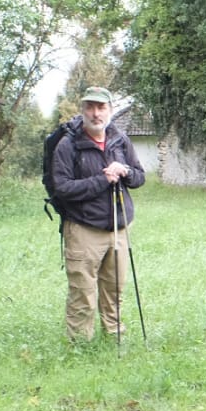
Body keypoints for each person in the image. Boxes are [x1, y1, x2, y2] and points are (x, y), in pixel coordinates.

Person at [49, 87, 146, 343]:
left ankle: (114, 335)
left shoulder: (119, 139)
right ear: (82, 111)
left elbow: (140, 177)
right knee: (82, 291)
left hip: (119, 227)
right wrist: (102, 179)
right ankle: (80, 343)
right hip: (83, 229)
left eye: (101, 107)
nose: (95, 113)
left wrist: (124, 171)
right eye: (90, 107)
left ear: (110, 110)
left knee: (114, 287)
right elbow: (63, 188)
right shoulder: (68, 145)